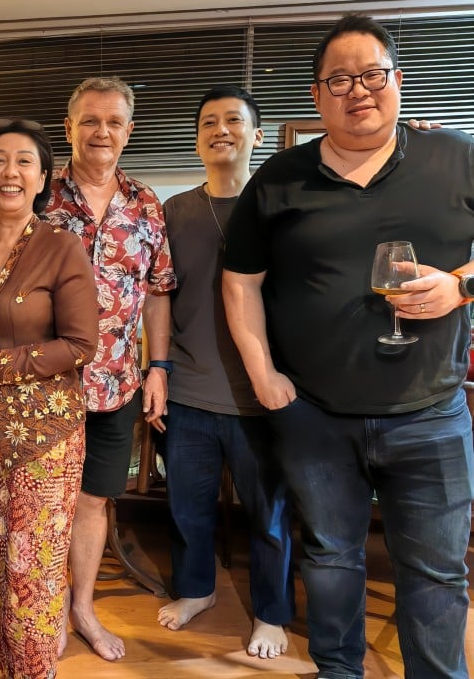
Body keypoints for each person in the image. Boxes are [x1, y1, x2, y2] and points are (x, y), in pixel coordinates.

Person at [223, 13, 474, 678]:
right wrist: (264, 377)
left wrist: (461, 288)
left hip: (431, 413)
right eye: (339, 79)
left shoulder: (455, 156)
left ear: (399, 80)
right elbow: (239, 283)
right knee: (330, 562)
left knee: (437, 575)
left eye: (372, 74)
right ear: (316, 95)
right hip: (315, 415)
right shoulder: (278, 178)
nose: (358, 90)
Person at [0, 118, 98, 679]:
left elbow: (81, 344)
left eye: (24, 160)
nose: (11, 171)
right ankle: (10, 671)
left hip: (46, 444)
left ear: (41, 176)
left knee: (32, 580)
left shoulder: (61, 247)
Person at [155, 85, 294, 657]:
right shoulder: (174, 212)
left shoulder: (283, 208)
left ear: (257, 136)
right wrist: (155, 368)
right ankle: (196, 590)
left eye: (234, 120)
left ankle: (271, 613)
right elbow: (158, 296)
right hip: (189, 391)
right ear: (196, 140)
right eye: (208, 121)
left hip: (263, 394)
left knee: (269, 516)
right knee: (187, 508)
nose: (220, 130)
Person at [43, 76, 175, 661]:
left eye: (114, 121)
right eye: (90, 121)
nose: (102, 131)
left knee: (94, 501)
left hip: (118, 383)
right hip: (43, 389)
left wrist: (159, 366)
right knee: (43, 500)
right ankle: (39, 614)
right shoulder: (39, 197)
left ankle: (83, 608)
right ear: (69, 129)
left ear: (128, 130)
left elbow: (157, 292)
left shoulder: (145, 203)